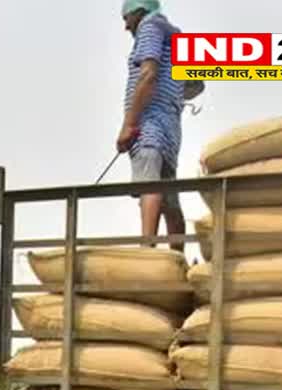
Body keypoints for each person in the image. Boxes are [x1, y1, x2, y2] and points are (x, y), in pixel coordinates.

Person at [116, 0, 187, 253]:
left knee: (149, 186)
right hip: (170, 129)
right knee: (169, 197)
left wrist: (129, 123)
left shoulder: (149, 27)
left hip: (149, 126)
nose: (126, 27)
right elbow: (194, 85)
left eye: (126, 19)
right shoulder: (175, 37)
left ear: (138, 12)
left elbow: (148, 74)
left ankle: (147, 252)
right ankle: (177, 257)